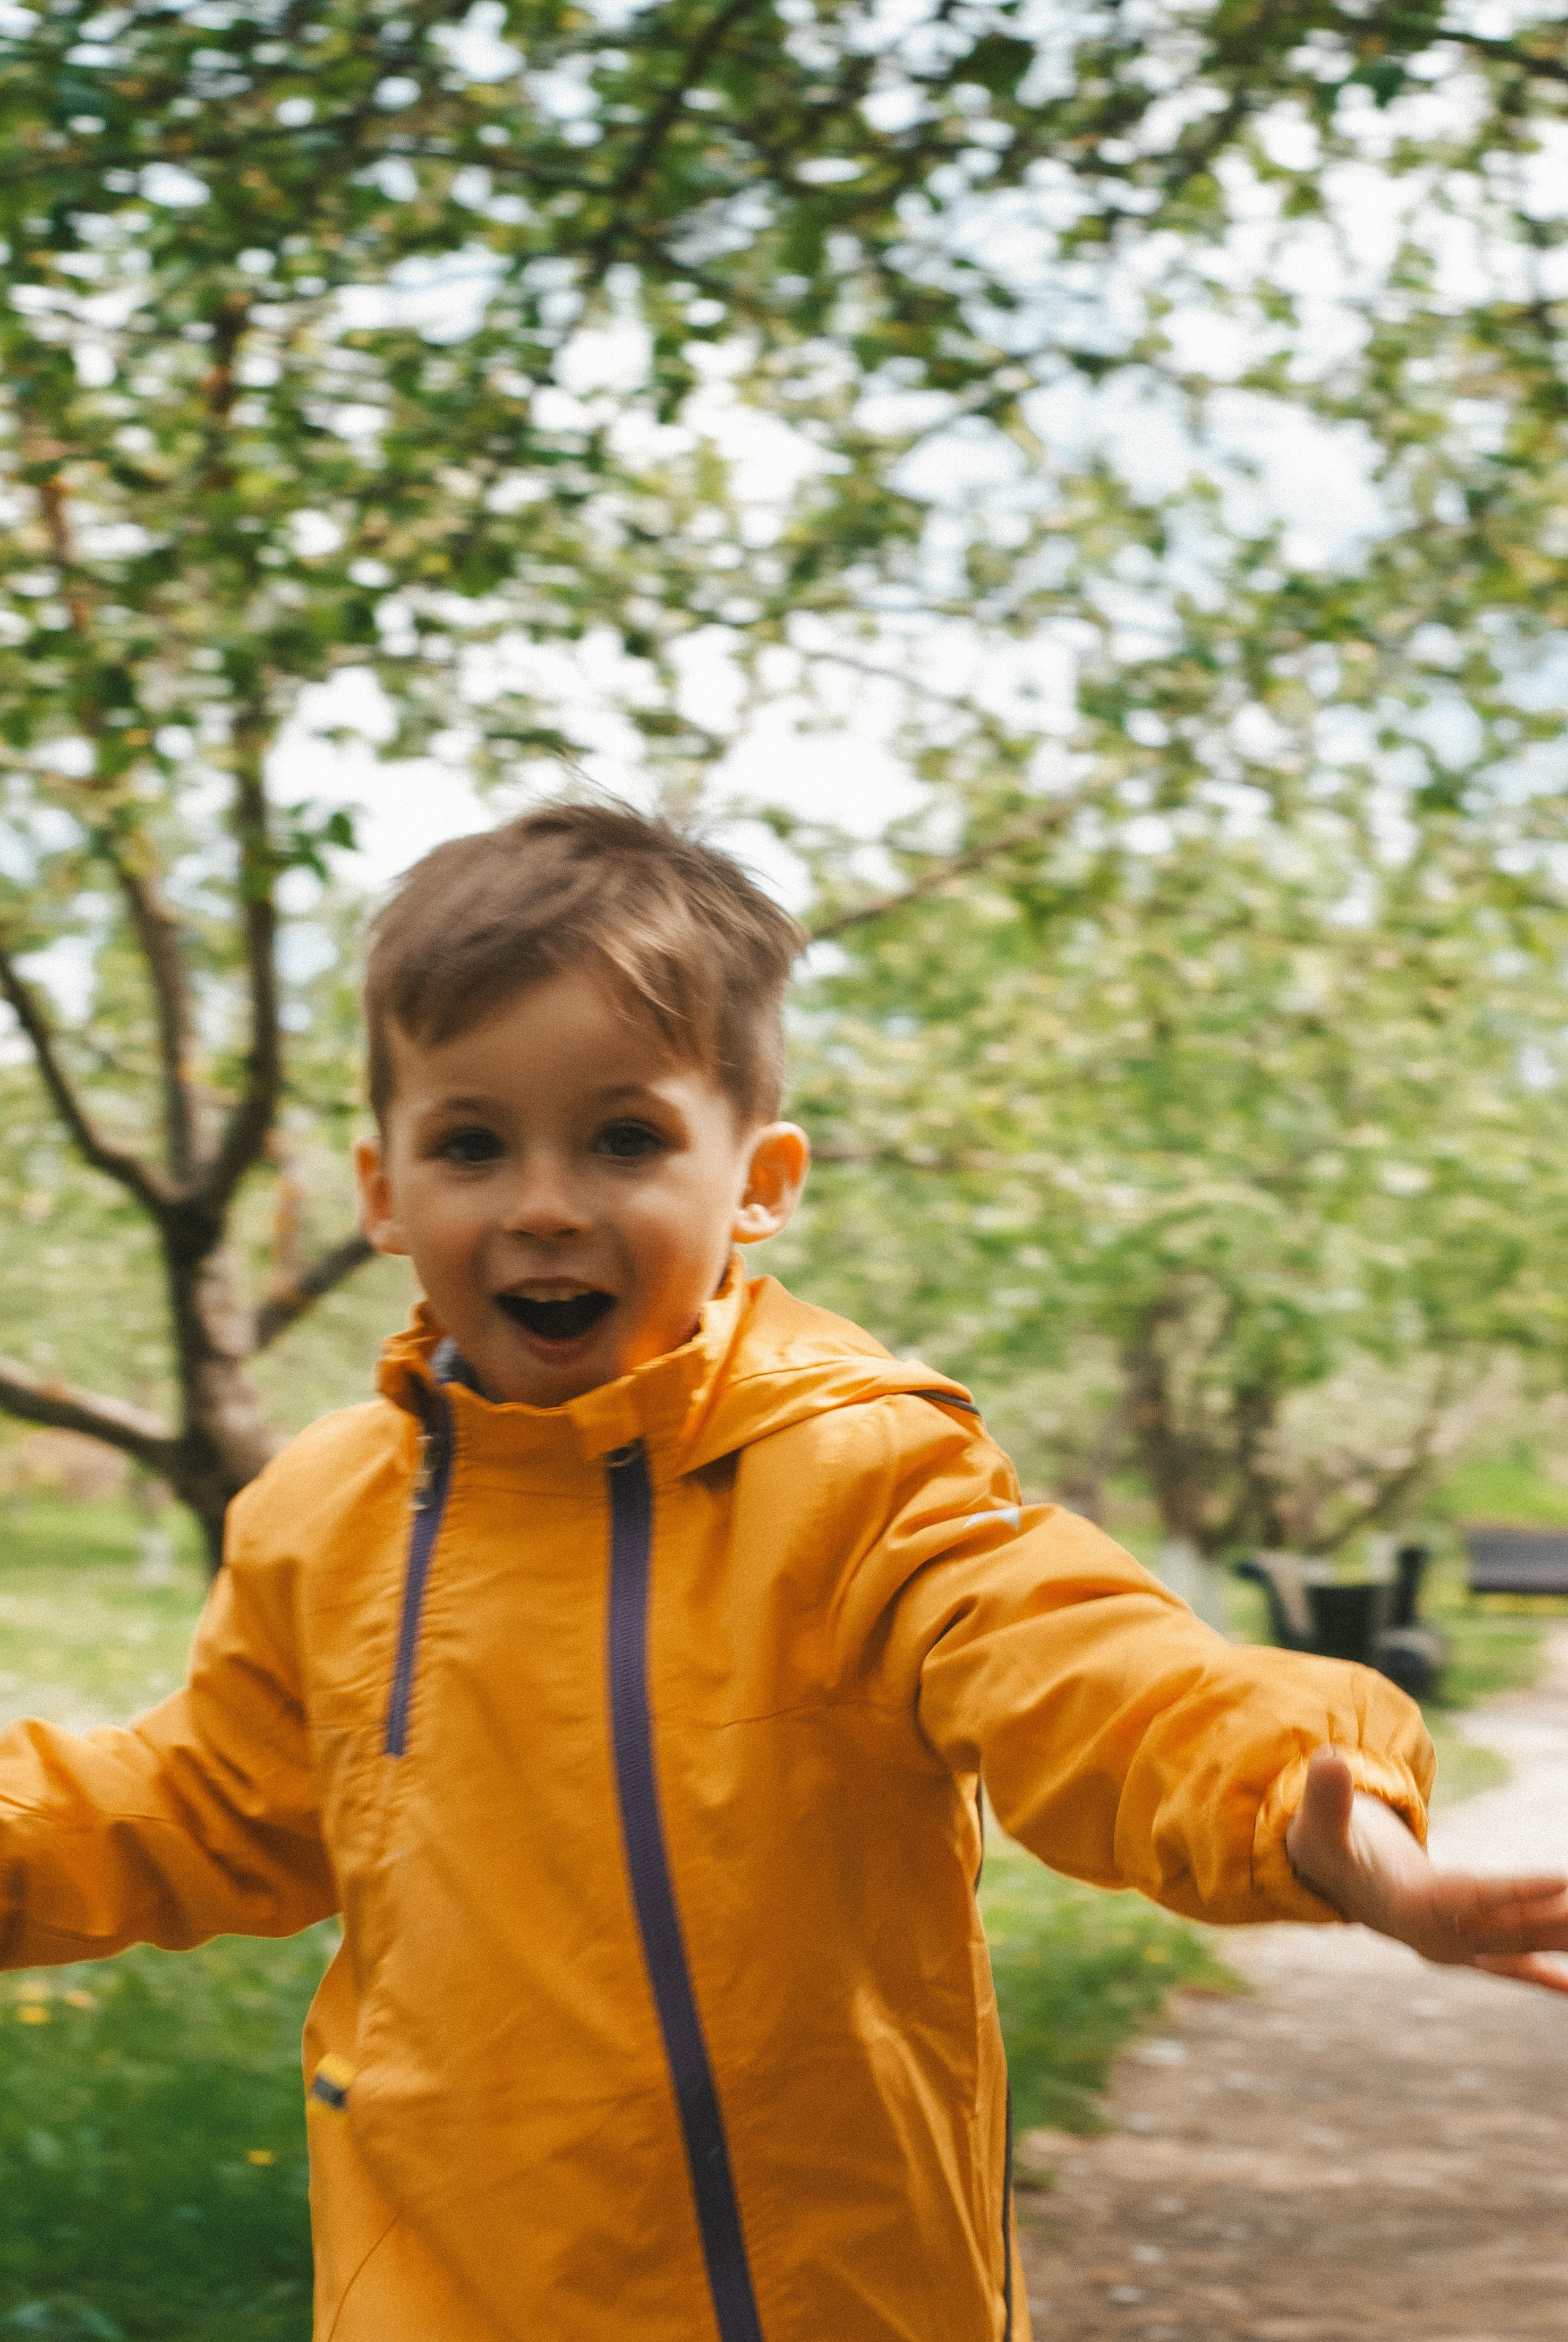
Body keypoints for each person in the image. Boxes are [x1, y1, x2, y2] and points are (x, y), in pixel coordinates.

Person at [1, 801, 1565, 2342]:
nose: (545, 1200)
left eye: (624, 1137)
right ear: (384, 1194)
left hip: (813, 2291)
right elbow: (206, 1805)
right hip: (440, 2285)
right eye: (472, 1143)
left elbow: (1080, 1666)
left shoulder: (858, 1475)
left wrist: (1305, 1794)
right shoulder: (323, 1516)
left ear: (757, 1180)